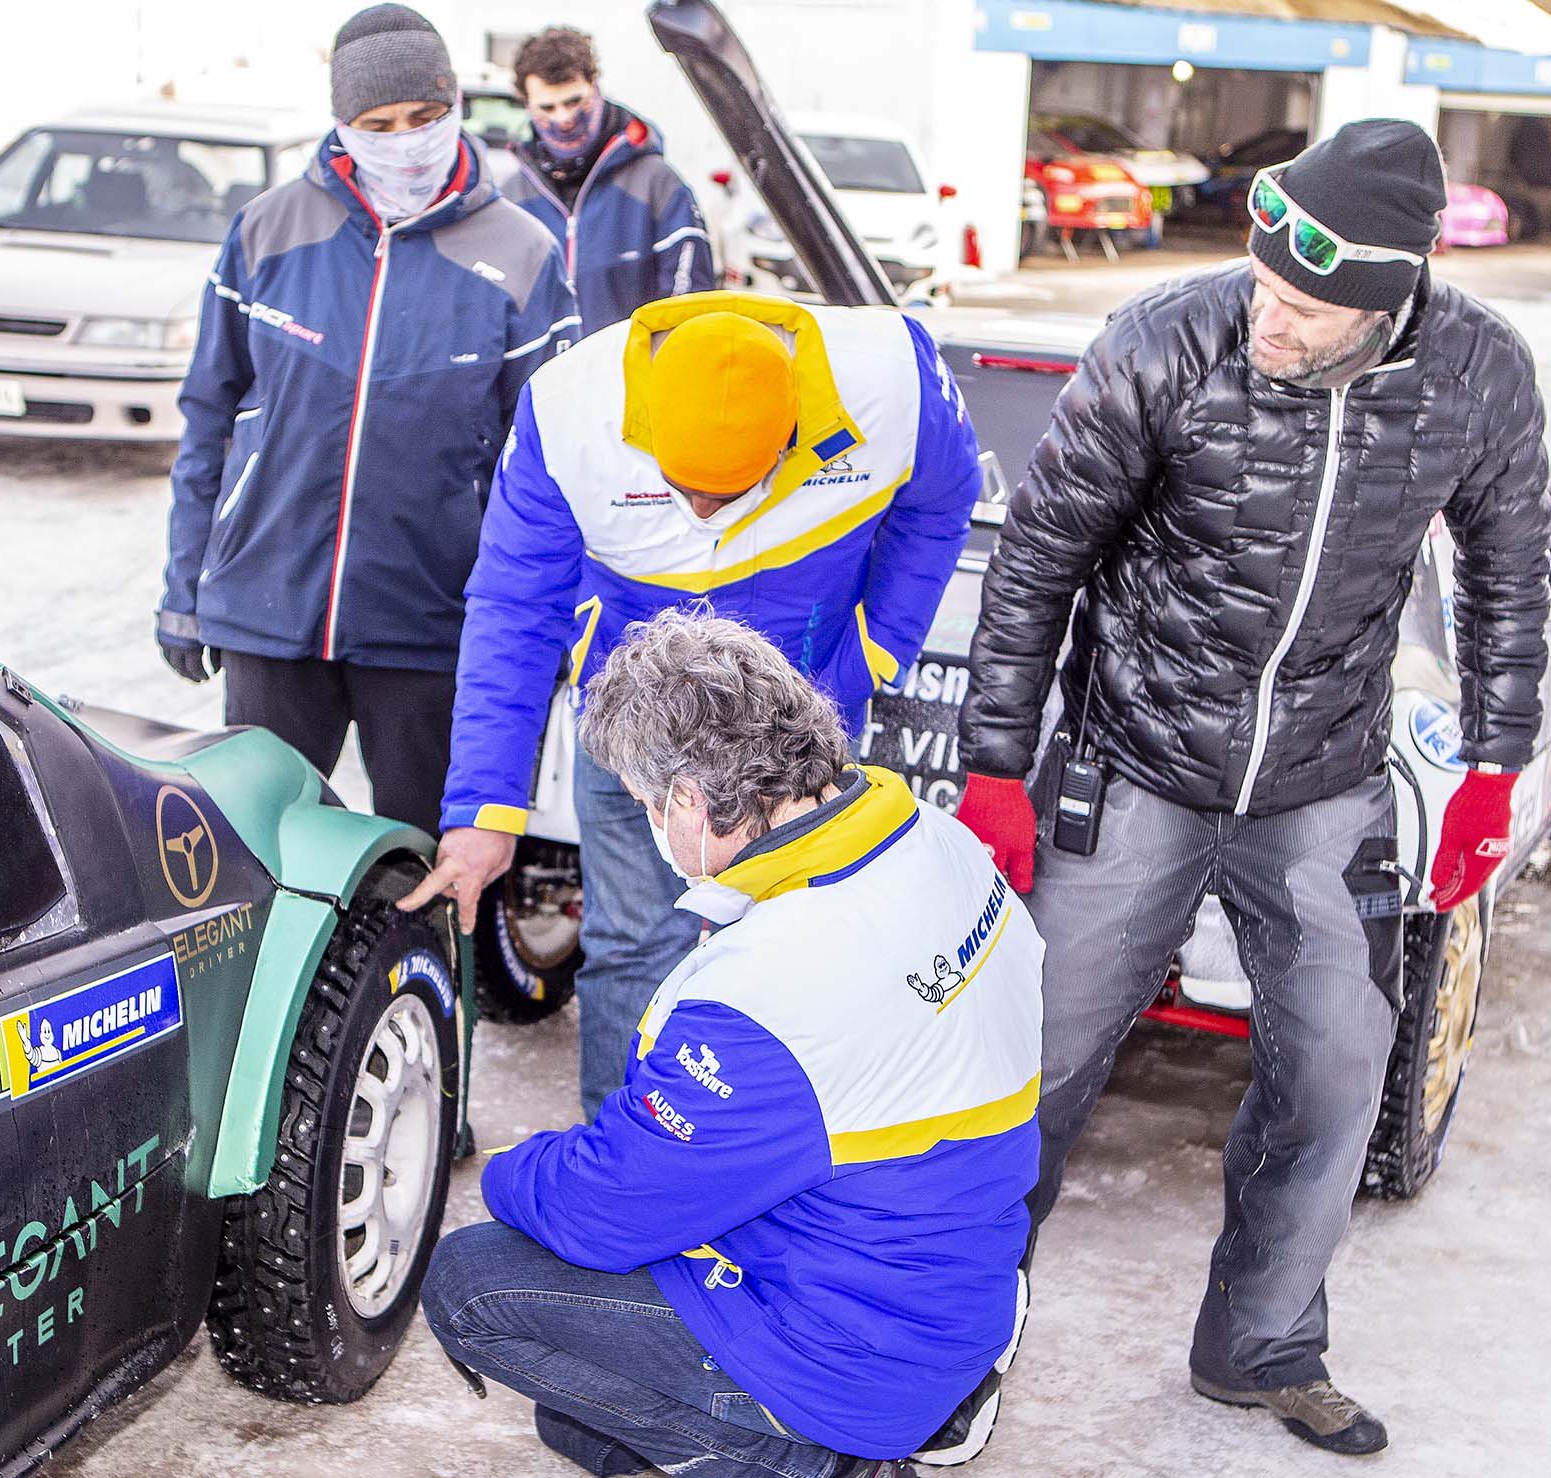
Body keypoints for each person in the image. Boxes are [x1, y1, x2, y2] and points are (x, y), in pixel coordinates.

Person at [954, 119, 1551, 1455]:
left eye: (1305, 304)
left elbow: (1510, 575)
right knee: (1035, 1064)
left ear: (1388, 300)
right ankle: (949, 1342)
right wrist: (998, 766)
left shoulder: (1476, 376)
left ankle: (1264, 1343)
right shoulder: (1168, 338)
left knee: (1341, 1063)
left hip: (1325, 774)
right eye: (1262, 283)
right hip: (1137, 755)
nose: (1267, 315)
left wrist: (1492, 770)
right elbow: (1037, 557)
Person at [422, 610, 1041, 1478]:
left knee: (477, 1281)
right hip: (953, 1279)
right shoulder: (939, 846)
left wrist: (510, 1167)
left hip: (863, 1331)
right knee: (581, 1421)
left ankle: (824, 1473)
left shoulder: (774, 985)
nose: (645, 827)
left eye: (640, 804)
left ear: (689, 801)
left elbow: (607, 1209)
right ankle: (920, 1397)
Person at [401, 290, 980, 1115]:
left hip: (797, 725)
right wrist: (484, 808)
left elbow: (940, 505)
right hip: (635, 724)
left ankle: (765, 1161)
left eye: (727, 492)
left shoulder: (893, 380)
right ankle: (622, 1161)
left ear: (789, 438)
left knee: (795, 955)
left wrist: (869, 654)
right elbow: (514, 607)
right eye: (685, 489)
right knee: (634, 945)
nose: (702, 513)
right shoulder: (570, 411)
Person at [155, 3, 578, 832]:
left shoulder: (523, 252)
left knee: (428, 864)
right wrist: (184, 585)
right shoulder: (269, 231)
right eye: (379, 124)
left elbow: (550, 469)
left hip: (430, 624)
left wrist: (538, 632)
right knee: (261, 861)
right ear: (342, 125)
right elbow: (209, 417)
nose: (407, 139)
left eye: (425, 117)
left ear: (455, 104)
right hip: (269, 612)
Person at [501, 25, 712, 334]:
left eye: (574, 102)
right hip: (547, 380)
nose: (563, 119)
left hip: (631, 376)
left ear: (595, 87)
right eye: (547, 107)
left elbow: (691, 306)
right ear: (526, 103)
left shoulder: (657, 183)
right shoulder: (512, 199)